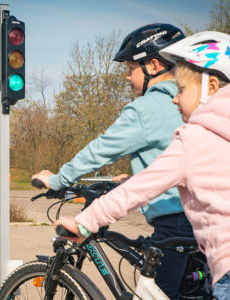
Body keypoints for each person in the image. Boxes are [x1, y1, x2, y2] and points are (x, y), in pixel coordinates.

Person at [54, 31, 230, 300]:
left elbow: (138, 188)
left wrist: (84, 223)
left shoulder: (193, 137)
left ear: (212, 88)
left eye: (181, 90)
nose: (174, 98)